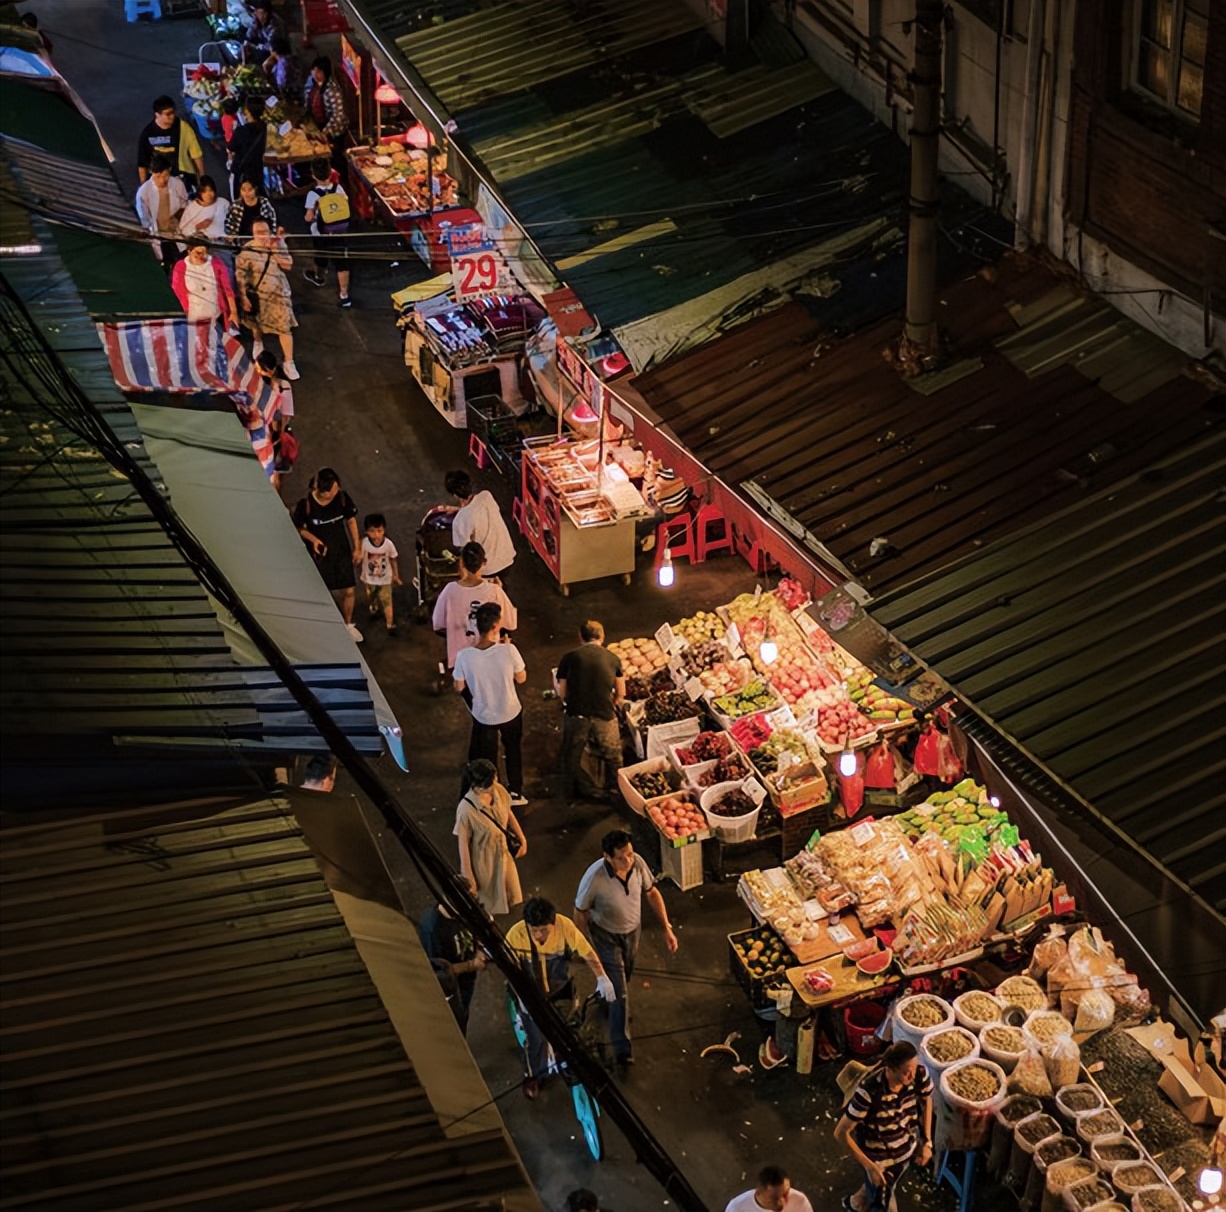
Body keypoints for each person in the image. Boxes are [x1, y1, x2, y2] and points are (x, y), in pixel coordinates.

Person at [574, 829, 677, 1067]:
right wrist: (585, 946)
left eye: (630, 854)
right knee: (621, 992)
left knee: (625, 974)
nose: (628, 860)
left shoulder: (638, 864)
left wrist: (666, 928)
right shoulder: (594, 877)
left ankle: (606, 997)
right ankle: (622, 1048)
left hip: (632, 932)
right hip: (605, 936)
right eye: (621, 857)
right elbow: (580, 912)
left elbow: (652, 893)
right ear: (607, 857)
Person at [505, 897, 615, 1099]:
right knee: (536, 1037)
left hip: (559, 988)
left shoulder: (565, 927)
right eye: (533, 930)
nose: (538, 935)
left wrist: (602, 977)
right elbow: (512, 972)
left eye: (543, 930)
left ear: (553, 923)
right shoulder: (515, 935)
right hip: (529, 992)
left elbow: (587, 952)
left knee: (571, 1028)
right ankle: (533, 1076)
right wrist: (524, 1001)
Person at [834, 1040, 934, 1212]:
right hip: (879, 1161)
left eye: (913, 1069)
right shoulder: (869, 1093)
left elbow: (927, 1100)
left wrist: (927, 1141)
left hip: (906, 1148)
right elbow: (840, 1133)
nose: (911, 1077)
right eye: (906, 1073)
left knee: (875, 1188)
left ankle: (856, 1204)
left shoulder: (918, 1074)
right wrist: (870, 1167)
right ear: (891, 1068)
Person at [452, 603, 527, 806]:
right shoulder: (509, 650)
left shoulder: (464, 656)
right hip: (511, 711)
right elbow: (521, 678)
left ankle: (495, 792)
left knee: (488, 754)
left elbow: (459, 687)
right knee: (513, 750)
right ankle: (516, 792)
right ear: (496, 626)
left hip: (484, 715)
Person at [556, 620, 625, 802]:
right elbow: (621, 692)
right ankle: (617, 789)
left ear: (580, 637)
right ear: (602, 636)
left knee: (572, 753)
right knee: (613, 755)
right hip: (604, 714)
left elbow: (562, 692)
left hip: (577, 714)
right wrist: (613, 702)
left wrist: (569, 702)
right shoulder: (613, 658)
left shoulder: (569, 658)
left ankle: (573, 792)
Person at [292, 468, 363, 642]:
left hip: (342, 551)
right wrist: (314, 540)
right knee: (322, 592)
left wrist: (357, 547)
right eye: (332, 492)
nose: (335, 493)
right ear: (321, 491)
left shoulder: (342, 498)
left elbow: (351, 520)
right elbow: (298, 527)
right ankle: (324, 626)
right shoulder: (306, 505)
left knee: (349, 590)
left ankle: (348, 625)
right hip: (320, 557)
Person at [432, 541, 518, 672]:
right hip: (490, 660)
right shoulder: (494, 591)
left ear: (462, 563)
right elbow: (511, 623)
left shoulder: (450, 590)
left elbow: (438, 623)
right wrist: (499, 590)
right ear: (484, 562)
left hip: (461, 662)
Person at [454, 759, 525, 916]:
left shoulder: (498, 791)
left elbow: (508, 812)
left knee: (511, 896)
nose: (497, 783)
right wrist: (468, 876)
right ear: (480, 787)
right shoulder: (466, 810)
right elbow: (463, 844)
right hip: (484, 863)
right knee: (488, 902)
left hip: (504, 855)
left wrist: (522, 839)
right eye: (493, 781)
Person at [236, 217, 298, 378]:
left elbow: (288, 265)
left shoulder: (278, 244)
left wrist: (275, 251)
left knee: (284, 328)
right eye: (258, 232)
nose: (262, 235)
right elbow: (240, 276)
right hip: (258, 294)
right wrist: (244, 297)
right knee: (256, 324)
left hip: (278, 293)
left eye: (265, 232)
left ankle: (289, 362)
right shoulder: (247, 250)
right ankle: (258, 342)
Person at [419, 901, 487, 1033]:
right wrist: (471, 965)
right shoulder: (433, 929)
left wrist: (479, 948)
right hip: (452, 989)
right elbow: (440, 972)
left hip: (466, 983)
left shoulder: (463, 912)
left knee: (464, 1015)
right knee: (455, 1024)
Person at [444, 470, 515, 584]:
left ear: (455, 495)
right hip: (507, 557)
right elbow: (477, 511)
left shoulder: (460, 520)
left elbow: (465, 551)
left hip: (488, 568)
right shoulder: (487, 496)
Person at [303, 157, 352, 307]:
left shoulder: (313, 194)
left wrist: (313, 213)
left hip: (321, 233)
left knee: (321, 257)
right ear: (330, 173)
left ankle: (319, 277)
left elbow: (308, 217)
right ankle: (344, 295)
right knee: (342, 263)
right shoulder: (338, 188)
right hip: (340, 232)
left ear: (313, 175)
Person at [170, 238, 238, 331]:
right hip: (192, 319)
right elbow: (177, 291)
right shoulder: (181, 266)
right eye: (198, 252)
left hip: (215, 318)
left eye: (204, 252)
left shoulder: (216, 263)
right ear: (189, 251)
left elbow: (227, 289)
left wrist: (233, 312)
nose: (201, 256)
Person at [136, 95, 204, 188]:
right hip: (159, 179)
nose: (172, 116)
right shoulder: (147, 134)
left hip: (183, 176)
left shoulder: (184, 128)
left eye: (173, 112)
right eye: (168, 114)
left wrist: (202, 178)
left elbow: (197, 155)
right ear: (157, 114)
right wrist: (143, 186)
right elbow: (142, 163)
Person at [134, 154, 188, 269]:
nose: (163, 180)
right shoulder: (144, 193)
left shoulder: (177, 184)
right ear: (152, 173)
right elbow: (145, 220)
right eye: (158, 177)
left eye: (165, 176)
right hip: (158, 236)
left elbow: (184, 205)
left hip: (176, 232)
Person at [359, 512, 402, 636]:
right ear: (367, 531)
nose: (376, 534)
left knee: (387, 601)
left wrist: (395, 575)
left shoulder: (388, 544)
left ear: (384, 530)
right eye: (372, 531)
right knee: (371, 597)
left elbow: (393, 559)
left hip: (385, 579)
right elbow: (359, 557)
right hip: (369, 579)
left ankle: (390, 624)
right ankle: (374, 608)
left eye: (379, 530)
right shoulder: (364, 544)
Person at [303, 56, 347, 167]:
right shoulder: (310, 82)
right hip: (317, 126)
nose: (315, 74)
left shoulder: (332, 89)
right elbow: (307, 100)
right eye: (314, 70)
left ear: (325, 73)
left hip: (334, 130)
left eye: (319, 71)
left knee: (335, 158)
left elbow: (338, 115)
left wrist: (325, 132)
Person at [725, 1165, 814, 1212]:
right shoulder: (737, 1209)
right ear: (759, 1192)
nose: (781, 1203)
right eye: (774, 1198)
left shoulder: (799, 1201)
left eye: (785, 1194)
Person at [227, 98, 268, 200]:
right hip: (257, 168)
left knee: (238, 196)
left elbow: (231, 148)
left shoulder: (241, 131)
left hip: (241, 169)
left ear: (247, 112)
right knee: (255, 193)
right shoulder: (265, 128)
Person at [179, 176, 229, 248]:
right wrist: (198, 227)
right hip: (199, 245)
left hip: (220, 244)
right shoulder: (192, 207)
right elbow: (183, 230)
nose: (209, 195)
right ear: (200, 193)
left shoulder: (223, 203)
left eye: (211, 190)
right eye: (205, 192)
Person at [226, 175, 278, 242]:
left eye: (250, 190)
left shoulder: (264, 203)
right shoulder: (236, 205)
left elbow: (273, 222)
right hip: (243, 243)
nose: (246, 193)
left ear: (255, 189)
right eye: (243, 190)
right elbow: (230, 226)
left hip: (263, 241)